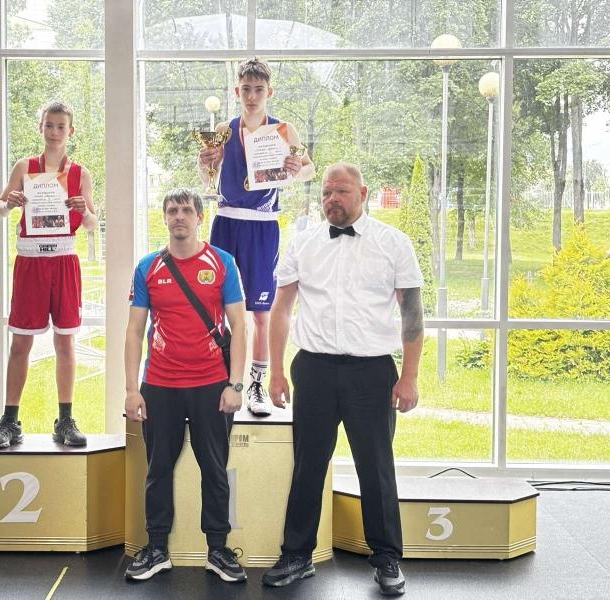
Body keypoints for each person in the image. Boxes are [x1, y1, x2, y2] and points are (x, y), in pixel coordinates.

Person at [262, 163, 424, 596]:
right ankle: (297, 555)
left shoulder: (393, 243)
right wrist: (276, 370)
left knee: (376, 467)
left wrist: (409, 377)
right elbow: (281, 310)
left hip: (372, 373)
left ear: (363, 193)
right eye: (326, 192)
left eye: (342, 192)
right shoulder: (304, 242)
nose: (332, 199)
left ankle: (387, 558)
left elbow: (412, 315)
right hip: (313, 369)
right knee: (308, 465)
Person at [124, 188, 248, 583]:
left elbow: (239, 326)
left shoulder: (222, 262)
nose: (179, 216)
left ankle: (218, 550)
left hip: (212, 384)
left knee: (214, 469)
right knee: (158, 469)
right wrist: (131, 389)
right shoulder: (148, 267)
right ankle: (157, 548)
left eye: (186, 210)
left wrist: (236, 384)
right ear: (165, 218)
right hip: (160, 384)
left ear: (199, 217)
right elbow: (134, 331)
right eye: (172, 210)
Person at [197, 57, 315, 418]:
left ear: (269, 92)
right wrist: (206, 162)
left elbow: (309, 169)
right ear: (237, 91)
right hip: (227, 222)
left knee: (261, 313)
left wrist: (294, 170)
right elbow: (208, 177)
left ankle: (257, 385)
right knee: (218, 308)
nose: (251, 96)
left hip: (263, 225)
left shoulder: (284, 130)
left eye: (258, 90)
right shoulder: (224, 129)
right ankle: (220, 381)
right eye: (246, 89)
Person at [0, 101, 98, 450]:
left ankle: (65, 419)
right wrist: (10, 202)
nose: (54, 132)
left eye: (61, 126)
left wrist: (84, 210)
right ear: (41, 128)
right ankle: (9, 420)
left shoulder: (81, 173)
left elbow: (92, 223)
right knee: (21, 343)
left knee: (65, 342)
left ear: (71, 131)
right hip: (31, 261)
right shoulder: (25, 166)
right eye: (49, 125)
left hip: (64, 260)